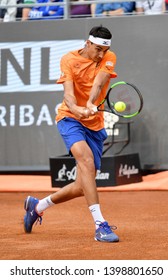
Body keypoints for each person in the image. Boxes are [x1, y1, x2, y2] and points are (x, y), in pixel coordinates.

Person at [23, 25, 119, 243]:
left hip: (95, 124)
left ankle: (37, 206)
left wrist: (91, 104)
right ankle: (100, 225)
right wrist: (78, 110)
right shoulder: (68, 60)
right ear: (87, 44)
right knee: (85, 160)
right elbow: (68, 94)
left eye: (105, 50)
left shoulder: (109, 56)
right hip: (69, 119)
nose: (101, 54)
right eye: (97, 49)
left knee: (81, 186)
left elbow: (98, 83)